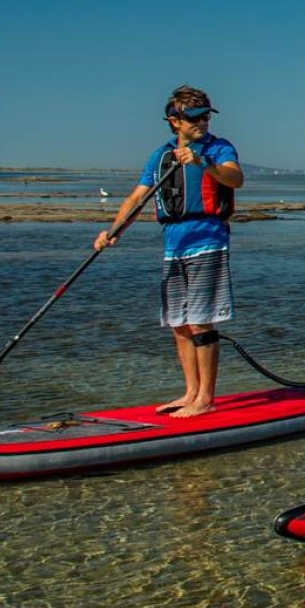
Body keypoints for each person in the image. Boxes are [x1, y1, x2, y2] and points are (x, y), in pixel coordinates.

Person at [95, 85, 245, 418]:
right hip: (173, 245)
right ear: (174, 121)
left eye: (205, 116)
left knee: (201, 322)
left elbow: (235, 179)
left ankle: (205, 398)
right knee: (179, 324)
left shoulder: (217, 148)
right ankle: (190, 392)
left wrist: (203, 162)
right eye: (193, 118)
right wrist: (113, 231)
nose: (201, 123)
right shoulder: (160, 155)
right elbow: (137, 198)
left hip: (207, 239)